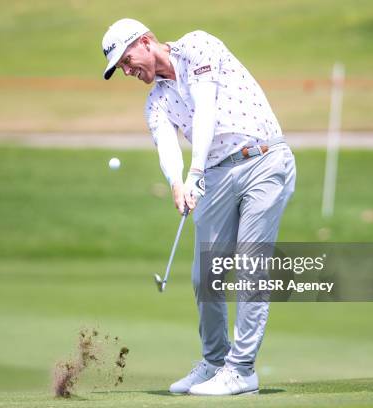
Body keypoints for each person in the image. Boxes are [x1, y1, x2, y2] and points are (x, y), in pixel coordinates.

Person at [101, 18, 296, 396]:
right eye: (121, 69)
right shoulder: (156, 102)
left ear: (145, 42)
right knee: (203, 275)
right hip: (217, 174)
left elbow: (206, 109)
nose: (127, 71)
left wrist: (195, 171)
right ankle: (214, 363)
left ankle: (241, 370)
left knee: (250, 265)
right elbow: (167, 147)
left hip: (263, 158)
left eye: (127, 60)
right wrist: (177, 182)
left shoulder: (198, 47)